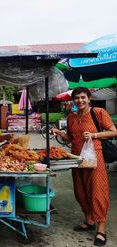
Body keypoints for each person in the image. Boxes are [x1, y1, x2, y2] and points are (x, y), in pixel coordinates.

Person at [52, 87, 117, 246]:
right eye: (76, 98)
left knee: (97, 191)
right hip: (77, 158)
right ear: (73, 100)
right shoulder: (71, 117)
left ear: (89, 99)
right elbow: (71, 138)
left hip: (95, 158)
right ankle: (89, 221)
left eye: (82, 97)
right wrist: (59, 133)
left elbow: (113, 131)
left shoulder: (99, 112)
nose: (79, 101)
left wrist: (94, 135)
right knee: (80, 192)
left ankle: (101, 229)